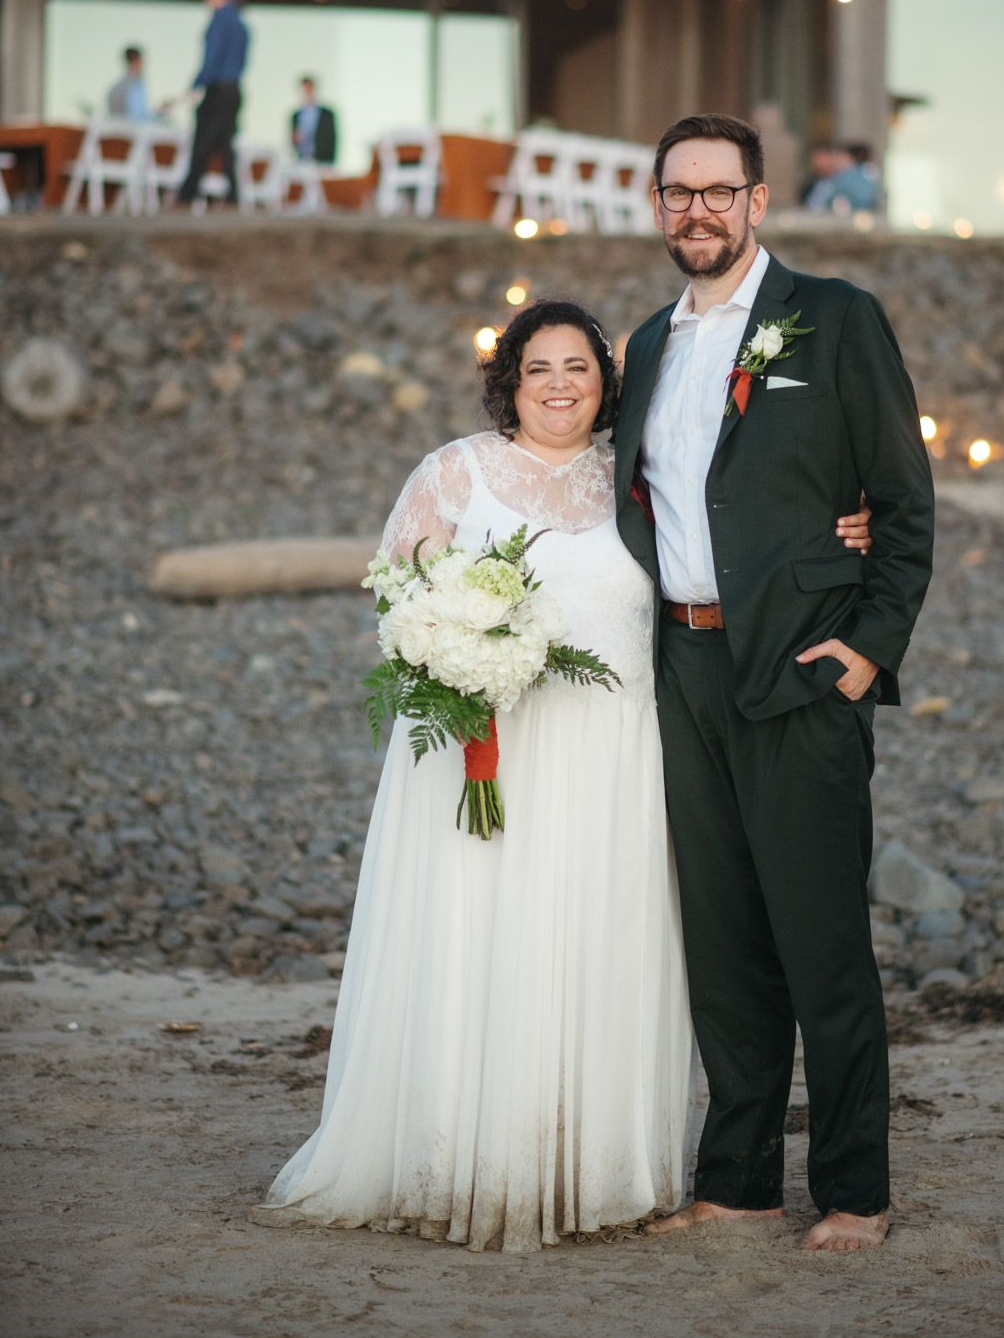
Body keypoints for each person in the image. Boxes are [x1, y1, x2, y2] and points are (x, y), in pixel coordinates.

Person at [255, 299, 875, 1251]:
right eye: (538, 368)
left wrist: (850, 529)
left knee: (600, 945)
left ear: (605, 386)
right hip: (485, 747)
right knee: (480, 943)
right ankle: (458, 1154)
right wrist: (457, 656)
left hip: (612, 759)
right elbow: (399, 598)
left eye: (579, 369)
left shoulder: (632, 480)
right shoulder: (456, 472)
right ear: (509, 380)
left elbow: (734, 526)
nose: (558, 385)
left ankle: (585, 1163)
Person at [614, 112, 934, 1252]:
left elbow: (898, 500)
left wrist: (867, 644)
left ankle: (854, 1190)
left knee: (818, 940)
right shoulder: (645, 344)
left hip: (803, 668)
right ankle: (737, 1176)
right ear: (656, 206)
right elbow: (632, 495)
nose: (693, 209)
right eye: (674, 192)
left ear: (756, 201)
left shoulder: (834, 318)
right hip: (685, 665)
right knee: (722, 938)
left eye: (716, 190)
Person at [177, 0, 249, 209]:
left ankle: (186, 196)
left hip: (218, 90)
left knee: (203, 141)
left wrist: (198, 83)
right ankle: (232, 197)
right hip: (233, 91)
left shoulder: (220, 20)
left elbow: (213, 57)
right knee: (225, 144)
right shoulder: (242, 25)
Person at [290, 76, 337, 164]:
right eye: (304, 89)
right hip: (302, 160)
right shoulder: (296, 115)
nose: (306, 92)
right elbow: (293, 141)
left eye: (309, 89)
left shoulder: (327, 114)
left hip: (322, 161)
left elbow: (332, 139)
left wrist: (330, 162)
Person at [106, 46, 152, 121]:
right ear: (136, 61)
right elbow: (136, 117)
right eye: (142, 61)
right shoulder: (131, 86)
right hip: (129, 129)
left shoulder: (118, 86)